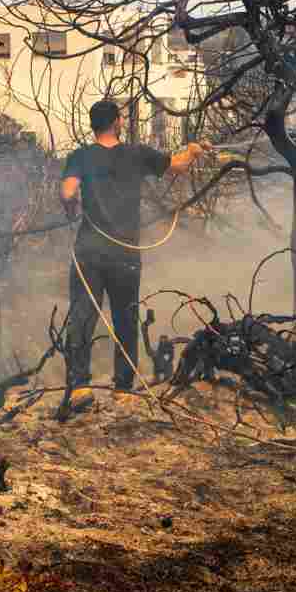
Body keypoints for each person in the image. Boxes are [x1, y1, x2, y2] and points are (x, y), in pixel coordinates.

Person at [59, 99, 209, 413]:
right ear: (116, 122)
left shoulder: (80, 156)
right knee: (125, 317)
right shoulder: (136, 154)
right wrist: (194, 152)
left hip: (89, 249)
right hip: (125, 251)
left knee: (83, 315)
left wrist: (72, 208)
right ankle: (123, 389)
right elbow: (178, 165)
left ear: (93, 125)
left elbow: (68, 192)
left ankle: (79, 387)